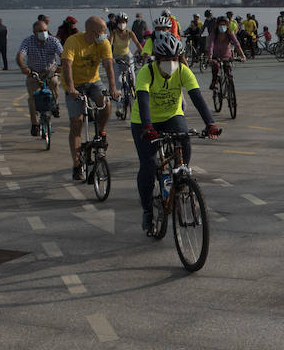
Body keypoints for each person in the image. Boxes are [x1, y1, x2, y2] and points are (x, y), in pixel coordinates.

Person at [129, 30, 221, 235]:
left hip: (172, 116)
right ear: (157, 58)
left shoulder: (182, 71)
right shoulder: (147, 71)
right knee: (148, 165)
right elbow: (143, 101)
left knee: (185, 141)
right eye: (165, 59)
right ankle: (147, 210)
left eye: (174, 58)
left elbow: (197, 98)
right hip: (145, 121)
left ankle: (181, 182)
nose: (170, 62)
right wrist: (147, 127)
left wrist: (210, 123)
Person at [61, 16, 119, 181]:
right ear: (93, 31)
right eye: (102, 31)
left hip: (93, 81)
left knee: (105, 102)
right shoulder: (73, 41)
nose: (105, 34)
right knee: (76, 122)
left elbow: (108, 65)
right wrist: (71, 87)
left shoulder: (104, 43)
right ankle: (77, 164)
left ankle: (101, 131)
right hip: (75, 84)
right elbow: (67, 65)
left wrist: (113, 88)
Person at [15, 17, 62, 136]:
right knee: (32, 98)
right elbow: (20, 55)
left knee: (55, 83)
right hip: (34, 72)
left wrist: (64, 65)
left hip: (50, 70)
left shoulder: (53, 41)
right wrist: (23, 67)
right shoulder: (28, 41)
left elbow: (63, 54)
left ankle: (56, 104)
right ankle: (35, 124)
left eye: (45, 30)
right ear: (34, 32)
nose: (43, 33)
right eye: (40, 31)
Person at [208, 9, 247, 89]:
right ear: (217, 25)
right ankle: (214, 82)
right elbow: (211, 45)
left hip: (227, 56)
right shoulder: (213, 34)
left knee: (228, 71)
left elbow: (237, 44)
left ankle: (231, 94)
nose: (222, 26)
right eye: (221, 25)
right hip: (216, 56)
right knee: (216, 67)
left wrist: (242, 56)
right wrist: (210, 57)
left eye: (224, 25)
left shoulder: (229, 33)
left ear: (227, 25)